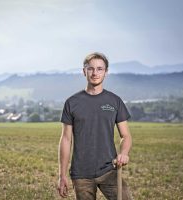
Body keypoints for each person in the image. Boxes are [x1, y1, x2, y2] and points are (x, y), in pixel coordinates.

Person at [57, 52, 133, 200]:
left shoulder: (115, 101)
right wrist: (62, 175)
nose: (95, 73)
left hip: (109, 170)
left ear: (106, 72)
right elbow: (66, 140)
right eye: (90, 68)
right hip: (81, 174)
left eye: (100, 69)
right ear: (84, 71)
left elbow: (126, 136)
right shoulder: (72, 103)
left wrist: (123, 153)